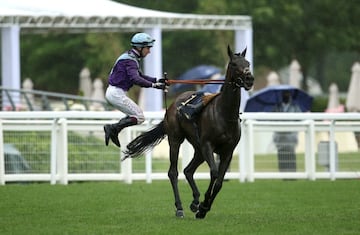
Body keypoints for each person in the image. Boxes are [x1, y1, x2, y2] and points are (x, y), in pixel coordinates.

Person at [103, 32, 167, 147]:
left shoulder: (130, 58)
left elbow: (140, 76)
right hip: (116, 93)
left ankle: (113, 129)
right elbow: (136, 79)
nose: (149, 51)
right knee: (140, 117)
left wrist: (157, 80)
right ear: (139, 47)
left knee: (135, 116)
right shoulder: (130, 61)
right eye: (147, 48)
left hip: (115, 92)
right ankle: (112, 128)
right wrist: (154, 86)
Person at [272, 90, 302, 172]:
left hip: (291, 136)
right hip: (280, 137)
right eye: (284, 94)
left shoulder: (295, 107)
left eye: (288, 94)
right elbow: (273, 120)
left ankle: (292, 174)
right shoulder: (277, 108)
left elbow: (300, 119)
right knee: (281, 156)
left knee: (291, 156)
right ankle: (283, 174)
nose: (286, 96)